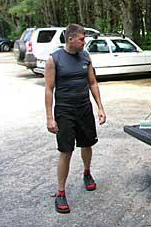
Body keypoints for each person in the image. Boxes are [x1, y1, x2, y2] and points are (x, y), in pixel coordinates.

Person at [45, 23, 106, 214]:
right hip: (64, 111)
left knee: (87, 144)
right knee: (66, 150)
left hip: (84, 109)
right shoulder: (54, 59)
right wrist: (49, 117)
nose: (84, 42)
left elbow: (93, 83)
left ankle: (87, 173)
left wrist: (100, 107)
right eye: (81, 38)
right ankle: (61, 192)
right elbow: (48, 89)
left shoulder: (86, 57)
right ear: (70, 39)